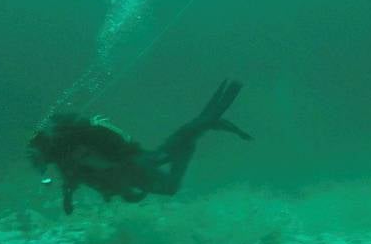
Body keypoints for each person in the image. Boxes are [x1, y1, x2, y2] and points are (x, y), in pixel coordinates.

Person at [28, 79, 252, 214]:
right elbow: (73, 180)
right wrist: (68, 199)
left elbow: (109, 168)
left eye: (35, 157)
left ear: (43, 149)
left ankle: (200, 126)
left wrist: (124, 190)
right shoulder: (64, 156)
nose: (35, 164)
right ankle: (196, 131)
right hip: (132, 168)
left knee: (168, 172)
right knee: (168, 174)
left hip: (135, 165)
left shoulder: (72, 152)